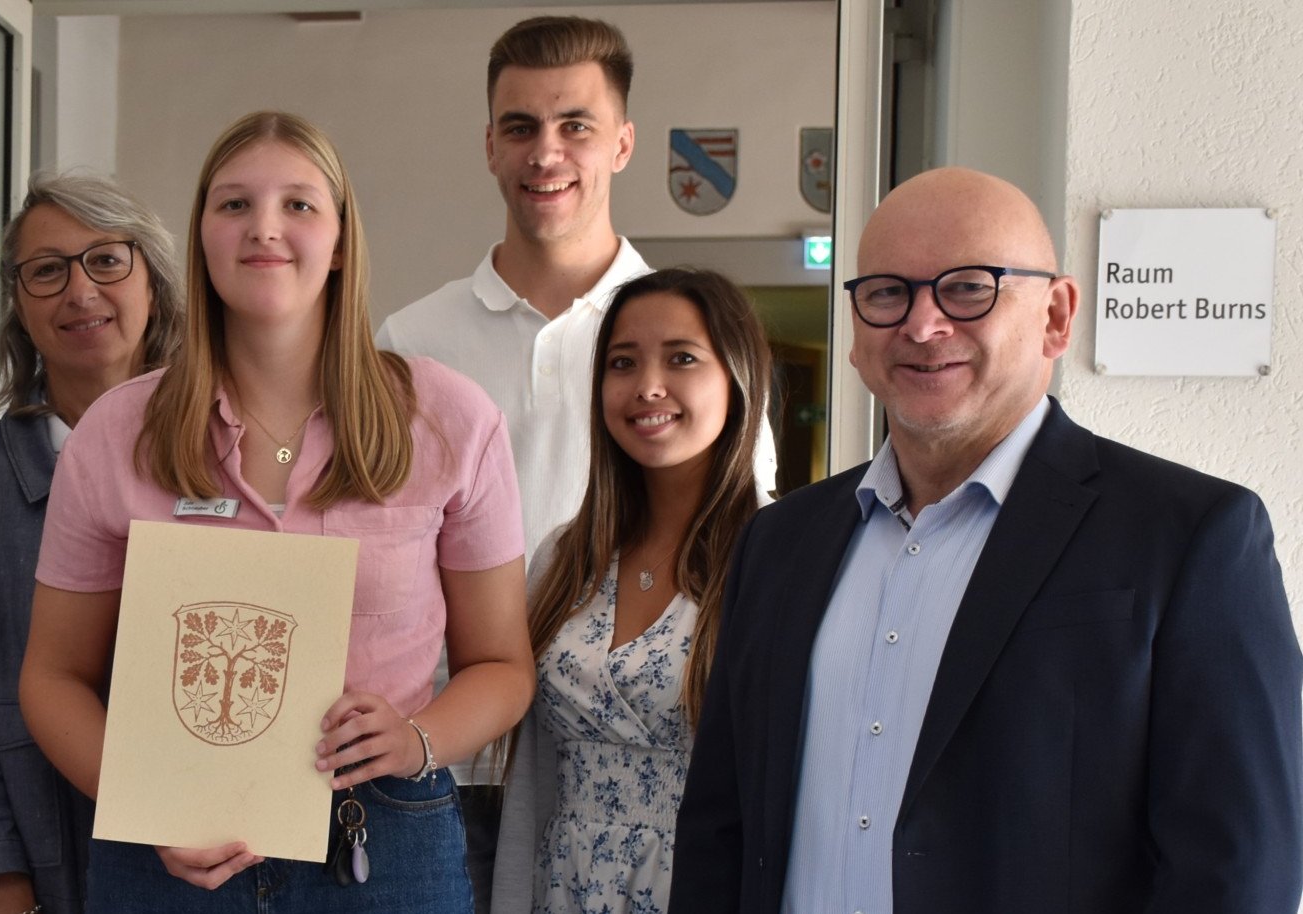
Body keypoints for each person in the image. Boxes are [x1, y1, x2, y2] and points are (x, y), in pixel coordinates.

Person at [669, 167, 1303, 913]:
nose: (922, 323)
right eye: (886, 292)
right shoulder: (778, 543)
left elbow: (1238, 873)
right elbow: (721, 830)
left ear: (1057, 316)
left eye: (969, 288)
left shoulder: (1189, 537)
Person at [19, 110, 534, 911]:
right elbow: (52, 679)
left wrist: (416, 738)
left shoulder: (450, 420)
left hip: (383, 843)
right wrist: (143, 802)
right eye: (233, 205)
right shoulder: (114, 435)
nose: (264, 227)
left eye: (298, 204)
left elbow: (503, 668)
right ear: (199, 237)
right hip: (169, 854)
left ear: (339, 240)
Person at [373, 21, 651, 895]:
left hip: (617, 760)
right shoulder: (410, 342)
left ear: (623, 142)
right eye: (522, 127)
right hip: (442, 766)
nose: (548, 152)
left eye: (576, 124)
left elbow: (731, 548)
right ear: (489, 145)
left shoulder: (682, 344)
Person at [0, 172, 183, 913]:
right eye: (47, 270)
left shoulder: (232, 451)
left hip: (222, 863)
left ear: (153, 284)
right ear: (19, 305)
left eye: (105, 260)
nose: (80, 290)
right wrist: (0, 889)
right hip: (47, 866)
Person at [490, 269, 771, 914]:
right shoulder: (567, 557)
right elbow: (534, 779)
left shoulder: (774, 556)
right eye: (623, 363)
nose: (648, 386)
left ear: (737, 376)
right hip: (561, 889)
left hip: (704, 888)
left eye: (681, 358)